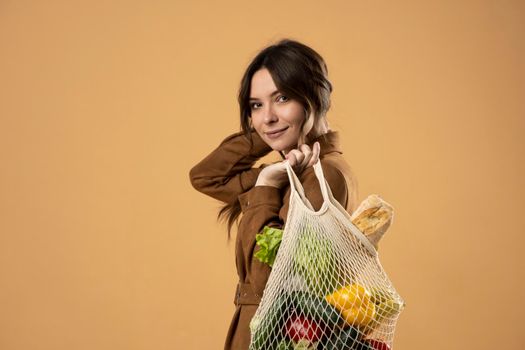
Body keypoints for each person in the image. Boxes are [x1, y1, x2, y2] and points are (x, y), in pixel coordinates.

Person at [189, 38, 359, 350]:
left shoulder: (322, 176)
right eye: (256, 105)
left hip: (277, 335)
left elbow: (273, 281)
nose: (266, 116)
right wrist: (272, 135)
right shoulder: (290, 174)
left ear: (314, 99)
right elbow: (206, 177)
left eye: (282, 98)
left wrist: (266, 184)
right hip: (264, 332)